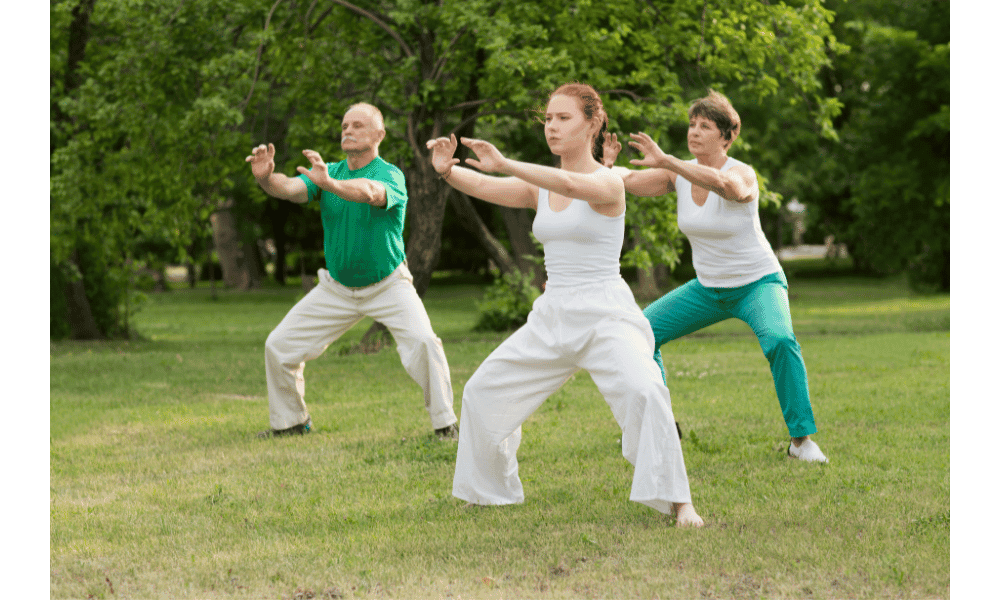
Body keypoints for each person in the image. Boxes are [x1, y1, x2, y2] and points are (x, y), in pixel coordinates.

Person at [426, 83, 703, 526]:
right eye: (548, 119)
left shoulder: (609, 180)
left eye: (563, 118)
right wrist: (447, 172)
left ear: (593, 124)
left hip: (606, 315)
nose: (551, 127)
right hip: (552, 315)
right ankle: (488, 493)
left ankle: (678, 501)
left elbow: (573, 182)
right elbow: (486, 184)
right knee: (481, 391)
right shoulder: (539, 188)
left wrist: (506, 162)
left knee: (645, 391)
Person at [605, 90, 827, 462]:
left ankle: (801, 442)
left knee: (779, 340)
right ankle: (661, 426)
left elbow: (730, 189)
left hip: (757, 283)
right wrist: (604, 167)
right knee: (641, 333)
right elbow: (626, 181)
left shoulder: (741, 171)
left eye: (705, 126)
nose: (694, 131)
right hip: (707, 289)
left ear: (727, 137)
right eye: (692, 124)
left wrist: (669, 161)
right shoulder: (675, 176)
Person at [245, 102, 458, 440]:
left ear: (379, 135)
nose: (348, 130)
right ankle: (292, 423)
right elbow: (289, 188)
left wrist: (329, 184)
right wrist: (266, 178)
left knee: (424, 343)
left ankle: (445, 424)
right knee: (279, 345)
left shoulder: (389, 175)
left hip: (388, 285)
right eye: (345, 125)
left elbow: (369, 193)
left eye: (358, 125)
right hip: (337, 288)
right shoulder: (326, 172)